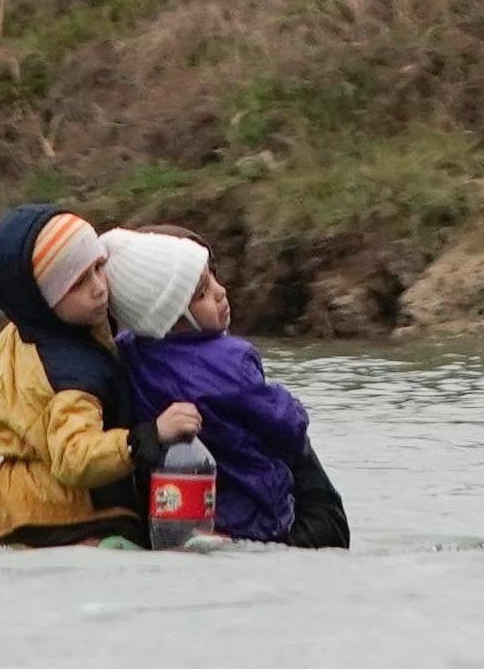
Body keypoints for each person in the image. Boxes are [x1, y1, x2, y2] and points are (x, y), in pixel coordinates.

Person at [102, 225, 350, 548]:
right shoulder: (232, 360)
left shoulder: (125, 357)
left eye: (213, 278)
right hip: (259, 515)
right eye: (202, 292)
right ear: (168, 317)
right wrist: (292, 408)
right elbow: (285, 424)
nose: (220, 291)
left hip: (195, 515)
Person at [0, 205, 202, 548]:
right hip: (70, 522)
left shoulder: (23, 333)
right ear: (41, 300)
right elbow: (74, 458)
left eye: (98, 267)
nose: (98, 288)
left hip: (18, 511)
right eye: (77, 283)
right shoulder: (72, 375)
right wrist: (150, 435)